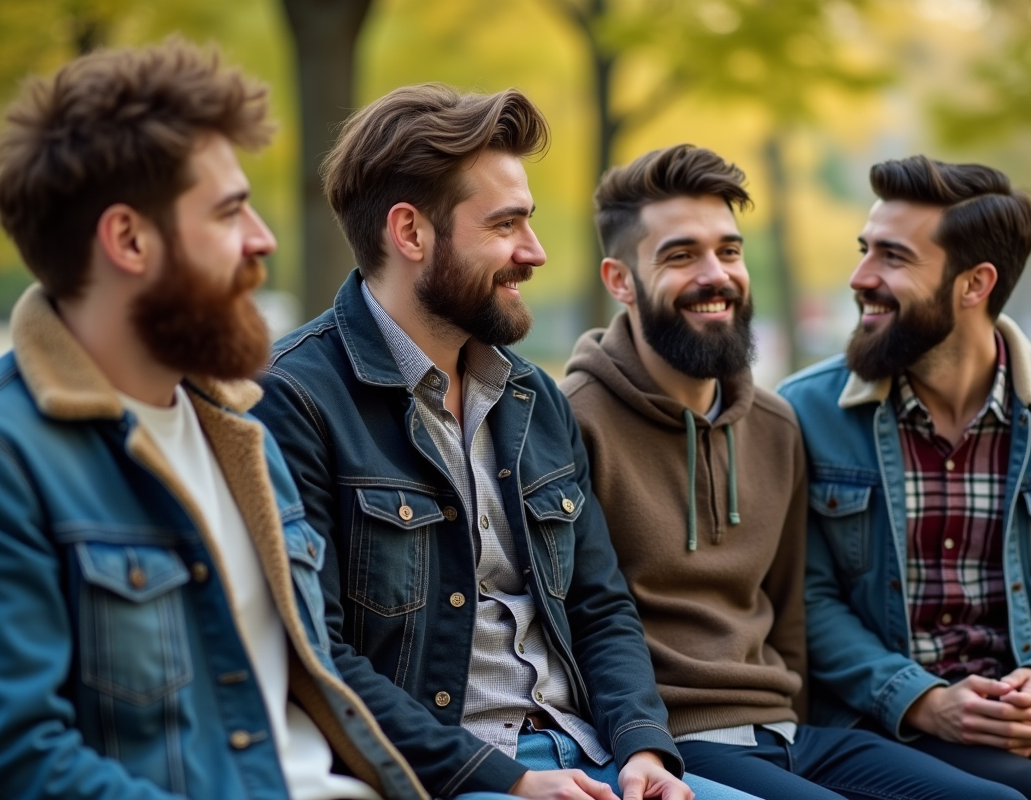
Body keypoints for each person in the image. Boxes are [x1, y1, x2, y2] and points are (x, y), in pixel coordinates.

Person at [253, 85, 748, 800]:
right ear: (411, 233)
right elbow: (321, 661)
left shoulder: (532, 396)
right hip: (450, 776)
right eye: (506, 224)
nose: (534, 252)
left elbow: (599, 606)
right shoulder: (295, 398)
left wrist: (644, 748)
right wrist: (512, 781)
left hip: (594, 756)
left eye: (530, 222)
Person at [0, 41, 426, 800]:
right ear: (129, 239)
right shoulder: (17, 459)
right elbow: (25, 760)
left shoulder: (242, 431)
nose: (263, 238)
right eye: (229, 211)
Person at [559, 144, 1024, 800]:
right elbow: (578, 620)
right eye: (681, 255)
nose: (716, 275)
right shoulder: (572, 424)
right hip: (671, 743)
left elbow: (789, 614)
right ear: (620, 280)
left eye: (729, 250)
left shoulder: (775, 425)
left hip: (788, 733)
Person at [776, 154, 1031, 800]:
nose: (861, 277)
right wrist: (923, 700)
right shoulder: (806, 411)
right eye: (865, 250)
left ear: (974, 284)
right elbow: (806, 600)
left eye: (892, 257)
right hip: (878, 719)